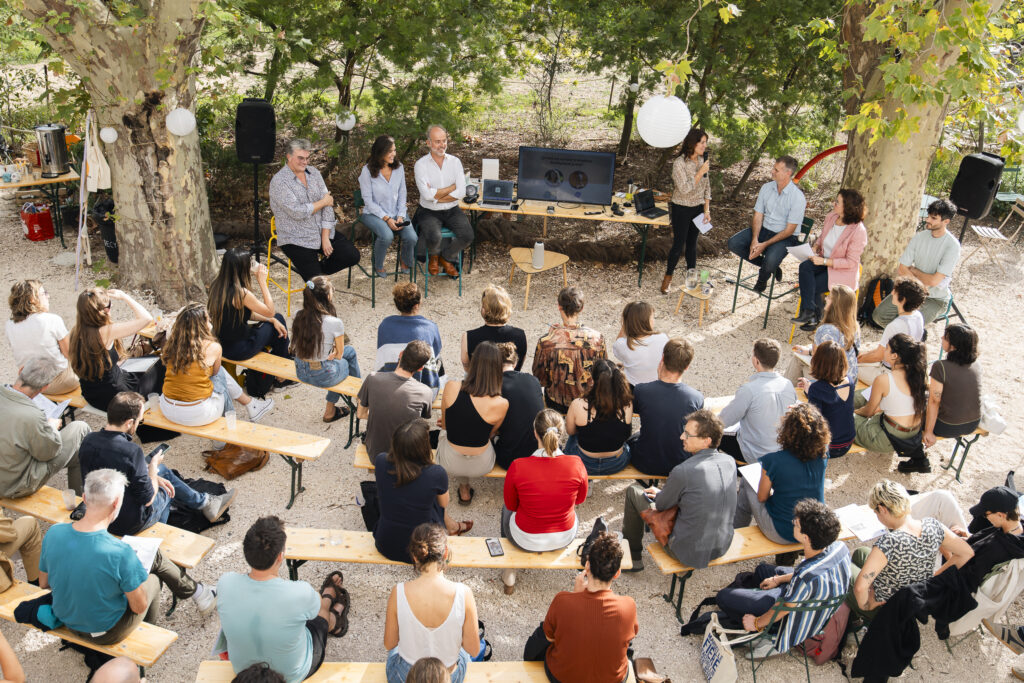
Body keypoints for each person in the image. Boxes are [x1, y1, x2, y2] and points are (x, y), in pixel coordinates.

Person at [39, 469, 216, 646]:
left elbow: (44, 583)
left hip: (69, 622)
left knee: (145, 566)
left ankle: (198, 593)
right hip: (106, 633)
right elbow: (138, 606)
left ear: (84, 498)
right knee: (153, 579)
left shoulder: (54, 532)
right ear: (117, 503)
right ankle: (147, 633)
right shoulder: (119, 552)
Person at [79, 392, 235, 534]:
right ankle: (161, 532)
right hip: (126, 523)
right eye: (139, 421)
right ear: (129, 423)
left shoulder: (88, 441)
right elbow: (148, 498)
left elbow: (116, 471)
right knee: (167, 487)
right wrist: (152, 468)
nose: (139, 423)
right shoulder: (131, 451)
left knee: (162, 472)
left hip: (97, 512)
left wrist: (152, 473)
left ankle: (204, 502)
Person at [217, 516, 349, 683]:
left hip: (244, 672)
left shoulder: (225, 583)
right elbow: (313, 611)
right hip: (292, 674)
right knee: (320, 616)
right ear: (280, 556)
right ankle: (333, 616)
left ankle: (332, 614)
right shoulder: (299, 592)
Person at [714, 500, 850, 658]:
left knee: (723, 597)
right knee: (762, 570)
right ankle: (755, 602)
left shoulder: (805, 577)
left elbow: (784, 607)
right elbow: (805, 573)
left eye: (796, 524)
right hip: (814, 602)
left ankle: (769, 635)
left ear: (806, 537)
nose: (793, 523)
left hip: (794, 618)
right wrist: (778, 579)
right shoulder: (839, 547)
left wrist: (756, 623)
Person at [621, 409, 736, 571]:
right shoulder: (729, 461)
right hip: (722, 545)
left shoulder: (683, 471)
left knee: (634, 491)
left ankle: (633, 557)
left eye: (688, 434)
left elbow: (661, 505)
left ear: (706, 441)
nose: (682, 437)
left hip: (688, 552)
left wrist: (662, 494)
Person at [848, 480, 974, 620]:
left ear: (882, 509)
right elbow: (966, 553)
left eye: (876, 513)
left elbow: (860, 588)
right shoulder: (933, 526)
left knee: (844, 569)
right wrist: (934, 579)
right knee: (860, 553)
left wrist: (866, 605)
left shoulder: (889, 542)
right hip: (916, 597)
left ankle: (860, 615)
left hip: (889, 606)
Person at [523, 532, 638, 683]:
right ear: (617, 573)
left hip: (562, 678)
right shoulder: (628, 606)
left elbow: (546, 639)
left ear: (588, 566)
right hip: (612, 679)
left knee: (544, 634)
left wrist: (574, 596)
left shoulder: (562, 601)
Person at [501, 410, 587, 593]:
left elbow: (511, 505)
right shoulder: (577, 464)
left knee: (505, 509)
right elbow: (579, 499)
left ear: (535, 433)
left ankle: (509, 571)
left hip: (524, 536)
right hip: (564, 535)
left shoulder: (518, 466)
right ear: (561, 432)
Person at [384, 523, 480, 683]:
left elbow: (389, 643)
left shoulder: (398, 592)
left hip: (406, 675)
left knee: (394, 651)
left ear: (414, 557)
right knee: (463, 654)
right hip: (448, 675)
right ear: (446, 553)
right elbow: (474, 649)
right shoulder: (464, 593)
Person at [160, 303, 274, 426]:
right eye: (208, 319)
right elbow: (215, 374)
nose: (211, 322)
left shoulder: (171, 344)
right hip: (198, 414)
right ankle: (235, 422)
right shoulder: (212, 347)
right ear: (202, 326)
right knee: (220, 376)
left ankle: (251, 405)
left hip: (167, 408)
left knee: (213, 375)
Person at [375, 419, 471, 563]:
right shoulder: (435, 473)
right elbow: (444, 503)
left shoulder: (381, 461)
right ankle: (452, 527)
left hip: (386, 542)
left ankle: (452, 526)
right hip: (423, 549)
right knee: (434, 499)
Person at [735, 404, 830, 545]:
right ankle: (787, 557)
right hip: (812, 528)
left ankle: (736, 532)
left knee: (747, 482)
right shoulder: (823, 455)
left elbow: (762, 497)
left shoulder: (773, 461)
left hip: (782, 532)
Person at [268, 138, 360, 281]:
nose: (305, 162)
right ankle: (315, 276)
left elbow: (328, 205)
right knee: (318, 285)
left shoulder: (314, 173)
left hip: (320, 231)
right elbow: (298, 212)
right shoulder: (279, 182)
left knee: (351, 255)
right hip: (296, 238)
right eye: (300, 158)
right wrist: (322, 202)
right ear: (289, 156)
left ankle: (315, 272)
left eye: (307, 158)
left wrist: (325, 236)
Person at [0, 356, 88, 497]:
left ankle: (78, 500)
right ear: (45, 387)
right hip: (15, 485)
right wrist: (51, 427)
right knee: (80, 428)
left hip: (7, 466)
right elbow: (48, 453)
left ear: (20, 371)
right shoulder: (32, 416)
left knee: (78, 452)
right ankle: (79, 502)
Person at [437, 342, 509, 505]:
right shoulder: (501, 403)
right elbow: (491, 434)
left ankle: (464, 488)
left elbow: (445, 424)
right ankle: (464, 488)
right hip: (482, 465)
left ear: (473, 363)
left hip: (450, 462)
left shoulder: (452, 387)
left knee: (443, 430)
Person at [69, 287, 163, 412]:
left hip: (92, 394)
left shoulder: (76, 332)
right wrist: (125, 296)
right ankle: (151, 421)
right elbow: (146, 319)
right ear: (105, 310)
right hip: (116, 397)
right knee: (161, 364)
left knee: (149, 359)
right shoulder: (105, 332)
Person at [872, 198, 961, 327]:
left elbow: (934, 281)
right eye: (928, 216)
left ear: (946, 221)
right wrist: (918, 281)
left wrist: (914, 270)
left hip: (935, 298)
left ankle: (908, 337)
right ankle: (902, 336)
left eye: (933, 218)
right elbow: (902, 269)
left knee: (909, 325)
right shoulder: (919, 237)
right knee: (879, 316)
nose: (927, 220)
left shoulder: (952, 246)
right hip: (910, 291)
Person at [727, 156, 807, 292]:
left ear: (788, 173)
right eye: (773, 168)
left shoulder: (797, 197)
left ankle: (762, 279)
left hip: (785, 237)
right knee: (733, 243)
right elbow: (758, 215)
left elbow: (789, 231)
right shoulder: (766, 188)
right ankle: (772, 268)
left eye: (776, 170)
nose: (772, 171)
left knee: (770, 261)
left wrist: (763, 245)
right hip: (764, 230)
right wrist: (755, 240)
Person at [791, 189, 868, 328]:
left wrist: (825, 262)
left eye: (837, 202)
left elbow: (851, 262)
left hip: (842, 271)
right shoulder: (832, 217)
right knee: (804, 267)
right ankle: (810, 312)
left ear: (848, 207)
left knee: (812, 283)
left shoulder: (858, 231)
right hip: (823, 261)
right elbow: (822, 238)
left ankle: (815, 316)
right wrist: (815, 248)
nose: (834, 203)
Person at [628, 338, 703, 477]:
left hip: (645, 462)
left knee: (633, 439)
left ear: (662, 358)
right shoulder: (696, 398)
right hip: (679, 463)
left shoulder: (641, 390)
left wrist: (658, 379)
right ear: (687, 367)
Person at [290, 276, 361, 423]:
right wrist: (334, 351)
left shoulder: (298, 315)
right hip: (322, 374)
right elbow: (340, 354)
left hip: (301, 371)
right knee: (346, 360)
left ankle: (338, 406)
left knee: (349, 353)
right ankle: (359, 398)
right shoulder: (334, 323)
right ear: (327, 297)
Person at [854, 333, 928, 470]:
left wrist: (853, 413)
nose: (884, 350)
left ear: (894, 356)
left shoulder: (884, 380)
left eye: (887, 348)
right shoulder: (919, 376)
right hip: (912, 436)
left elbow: (867, 411)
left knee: (843, 417)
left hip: (889, 439)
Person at [207, 248, 291, 366]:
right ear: (243, 268)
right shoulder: (241, 293)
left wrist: (270, 320)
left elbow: (246, 314)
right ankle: (283, 371)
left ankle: (279, 364)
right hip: (239, 349)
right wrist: (262, 282)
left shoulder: (216, 285)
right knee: (279, 319)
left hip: (222, 345)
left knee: (275, 321)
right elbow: (270, 311)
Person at [718, 339, 797, 464]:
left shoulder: (749, 390)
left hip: (753, 452)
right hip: (779, 449)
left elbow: (724, 421)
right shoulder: (787, 385)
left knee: (714, 434)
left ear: (756, 361)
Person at [531, 286, 607, 414]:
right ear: (581, 308)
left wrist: (553, 337)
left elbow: (539, 378)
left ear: (559, 306)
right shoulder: (597, 339)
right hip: (587, 401)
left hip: (557, 402)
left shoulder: (546, 341)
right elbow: (603, 374)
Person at [357, 340, 435, 462]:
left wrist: (379, 414)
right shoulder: (425, 392)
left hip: (375, 455)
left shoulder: (372, 378)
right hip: (406, 457)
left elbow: (360, 414)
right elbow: (422, 421)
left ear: (400, 354)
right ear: (420, 368)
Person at [412, 124, 473, 277]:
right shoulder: (421, 165)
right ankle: (433, 257)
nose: (442, 145)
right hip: (428, 211)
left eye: (444, 140)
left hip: (452, 209)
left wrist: (436, 196)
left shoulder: (455, 162)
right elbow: (426, 195)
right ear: (429, 143)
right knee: (434, 236)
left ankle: (446, 258)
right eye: (437, 141)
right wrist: (451, 187)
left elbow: (462, 191)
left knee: (468, 236)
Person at [358, 134, 417, 277]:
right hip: (372, 213)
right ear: (380, 152)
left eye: (394, 150)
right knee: (386, 236)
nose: (393, 154)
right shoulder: (367, 171)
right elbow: (368, 202)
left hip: (396, 211)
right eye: (390, 151)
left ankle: (405, 261)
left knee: (412, 237)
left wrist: (401, 215)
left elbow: (403, 193)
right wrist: (387, 219)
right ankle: (378, 265)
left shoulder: (399, 168)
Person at [662, 127, 711, 294]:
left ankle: (692, 280)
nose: (705, 146)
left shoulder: (702, 160)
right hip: (681, 208)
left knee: (692, 245)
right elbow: (684, 189)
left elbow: (707, 187)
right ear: (692, 143)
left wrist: (707, 210)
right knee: (678, 245)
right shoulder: (679, 163)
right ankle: (668, 278)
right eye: (702, 142)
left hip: (698, 208)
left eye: (706, 143)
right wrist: (700, 172)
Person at [6, 279, 78, 393]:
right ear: (32, 299)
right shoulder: (51, 320)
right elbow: (70, 354)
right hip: (59, 382)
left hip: (29, 383)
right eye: (44, 293)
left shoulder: (9, 325)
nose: (48, 297)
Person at [563, 359, 633, 475]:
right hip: (616, 463)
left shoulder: (578, 404)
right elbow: (626, 434)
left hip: (584, 462)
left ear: (593, 380)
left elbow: (570, 431)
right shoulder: (627, 403)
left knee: (573, 438)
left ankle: (586, 481)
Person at [787, 283, 860, 387]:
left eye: (829, 297)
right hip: (850, 380)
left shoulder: (825, 330)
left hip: (832, 386)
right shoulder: (854, 326)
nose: (826, 298)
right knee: (801, 358)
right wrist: (808, 351)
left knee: (797, 359)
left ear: (836, 305)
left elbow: (816, 364)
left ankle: (785, 393)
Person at [376, 282, 444, 393]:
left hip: (387, 385)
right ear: (416, 305)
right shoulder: (430, 327)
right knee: (438, 361)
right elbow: (435, 355)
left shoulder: (384, 325)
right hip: (421, 389)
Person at [924, 323, 981, 446]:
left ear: (953, 345)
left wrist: (929, 432)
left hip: (947, 426)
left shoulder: (940, 366)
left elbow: (934, 401)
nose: (941, 338)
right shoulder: (976, 364)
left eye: (945, 337)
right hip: (973, 423)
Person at [797, 341, 855, 458]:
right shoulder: (849, 380)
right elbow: (831, 397)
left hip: (829, 447)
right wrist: (810, 389)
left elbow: (813, 422)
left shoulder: (817, 389)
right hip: (848, 441)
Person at [857, 276, 927, 374]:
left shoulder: (895, 326)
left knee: (850, 368)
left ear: (903, 299)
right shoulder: (918, 316)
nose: (892, 293)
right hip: (907, 368)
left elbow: (879, 356)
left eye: (895, 291)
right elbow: (882, 350)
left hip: (889, 372)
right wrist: (864, 354)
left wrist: (857, 360)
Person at [493, 342, 545, 470]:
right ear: (515, 363)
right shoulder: (533, 380)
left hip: (509, 458)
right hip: (537, 452)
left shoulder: (494, 385)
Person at [460, 284, 527, 372]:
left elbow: (467, 368)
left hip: (481, 383)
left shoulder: (468, 336)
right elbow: (519, 365)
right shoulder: (520, 335)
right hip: (511, 382)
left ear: (484, 310)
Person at [611, 301, 669, 386]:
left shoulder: (622, 345)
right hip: (658, 386)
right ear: (647, 321)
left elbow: (617, 344)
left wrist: (625, 324)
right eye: (653, 318)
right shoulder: (663, 338)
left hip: (634, 389)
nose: (654, 321)